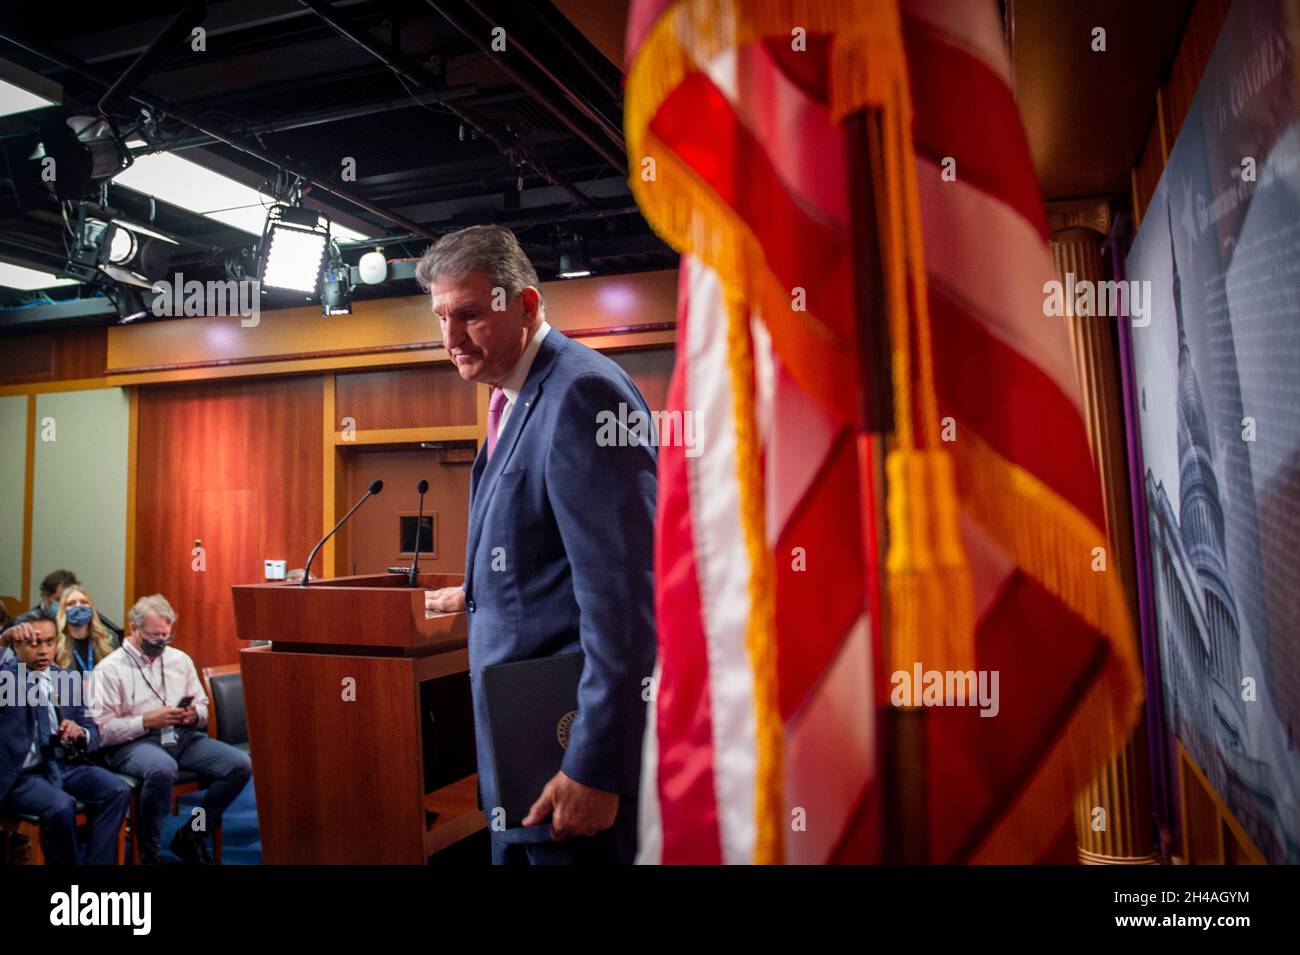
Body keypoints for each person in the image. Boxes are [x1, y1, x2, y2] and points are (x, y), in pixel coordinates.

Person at [418, 225, 657, 865]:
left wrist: (596, 767)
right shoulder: (513, 397)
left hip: (567, 760)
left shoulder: (582, 391)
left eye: (469, 315)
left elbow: (626, 599)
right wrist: (479, 591)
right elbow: (556, 557)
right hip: (521, 754)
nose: (450, 339)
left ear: (525, 305)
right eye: (441, 318)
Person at [91, 594, 251, 865]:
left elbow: (201, 705)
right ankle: (149, 852)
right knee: (162, 769)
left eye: (166, 635)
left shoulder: (179, 659)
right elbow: (102, 730)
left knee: (239, 765)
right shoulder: (109, 669)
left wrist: (193, 715)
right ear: (134, 628)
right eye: (154, 636)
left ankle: (192, 832)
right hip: (134, 743)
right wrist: (146, 721)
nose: (161, 642)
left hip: (182, 736)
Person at [0, 617, 131, 865]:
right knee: (61, 806)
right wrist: (2, 640)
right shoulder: (7, 679)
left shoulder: (66, 679)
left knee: (117, 789)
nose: (43, 650)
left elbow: (93, 732)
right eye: (33, 643)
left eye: (49, 642)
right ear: (17, 647)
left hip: (63, 764)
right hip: (21, 774)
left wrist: (80, 733)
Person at [29, 569, 124, 644]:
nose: (64, 605)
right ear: (45, 596)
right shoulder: (29, 621)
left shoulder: (88, 622)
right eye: (59, 600)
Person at [55, 586, 118, 678]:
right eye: (71, 604)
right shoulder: (55, 641)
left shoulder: (109, 638)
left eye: (84, 602)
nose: (78, 606)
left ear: (91, 607)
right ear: (63, 610)